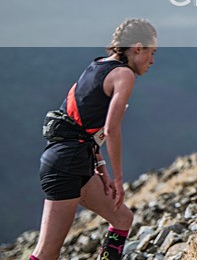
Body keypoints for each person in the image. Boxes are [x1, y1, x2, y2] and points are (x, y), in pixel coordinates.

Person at [31, 18, 157, 260]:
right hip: (66, 164)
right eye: (152, 53)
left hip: (76, 159)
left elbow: (82, 125)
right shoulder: (124, 75)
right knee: (47, 253)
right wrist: (119, 179)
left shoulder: (96, 66)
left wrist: (100, 167)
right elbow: (111, 129)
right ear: (138, 47)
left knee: (122, 218)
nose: (152, 61)